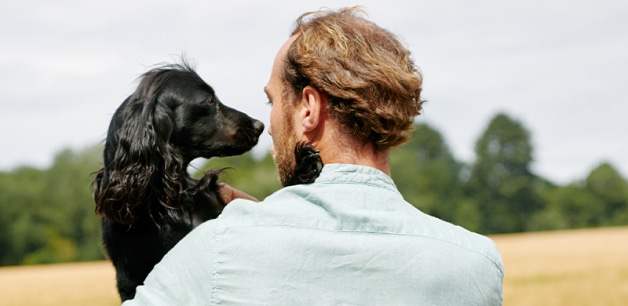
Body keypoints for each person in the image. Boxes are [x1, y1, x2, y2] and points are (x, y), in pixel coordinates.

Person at [124, 7, 504, 305]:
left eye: (272, 101)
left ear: (308, 108)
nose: (267, 124)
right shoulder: (476, 264)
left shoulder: (217, 251)